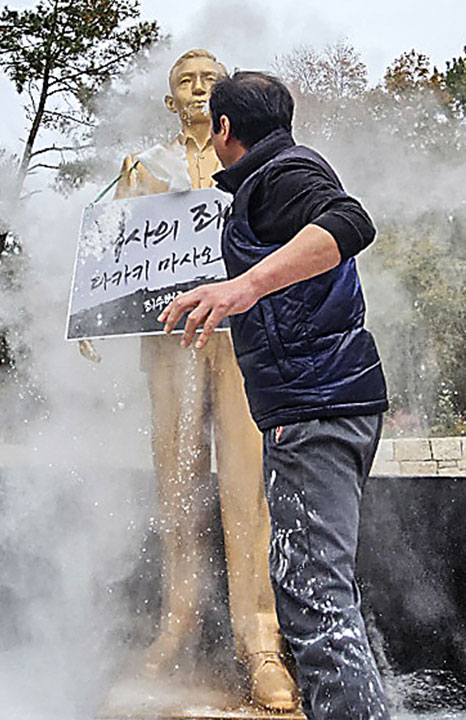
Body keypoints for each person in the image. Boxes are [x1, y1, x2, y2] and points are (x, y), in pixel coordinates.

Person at [158, 71, 391, 720]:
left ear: (225, 129)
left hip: (316, 407)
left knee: (313, 595)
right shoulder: (269, 179)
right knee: (321, 592)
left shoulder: (281, 173)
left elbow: (350, 221)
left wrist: (241, 289)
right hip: (321, 403)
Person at [106, 49, 297, 711]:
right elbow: (111, 260)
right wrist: (91, 324)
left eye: (207, 80)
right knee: (177, 484)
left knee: (248, 488)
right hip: (171, 341)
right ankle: (177, 620)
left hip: (242, 337)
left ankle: (260, 639)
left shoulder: (258, 163)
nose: (197, 89)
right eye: (184, 82)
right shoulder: (142, 170)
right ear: (170, 100)